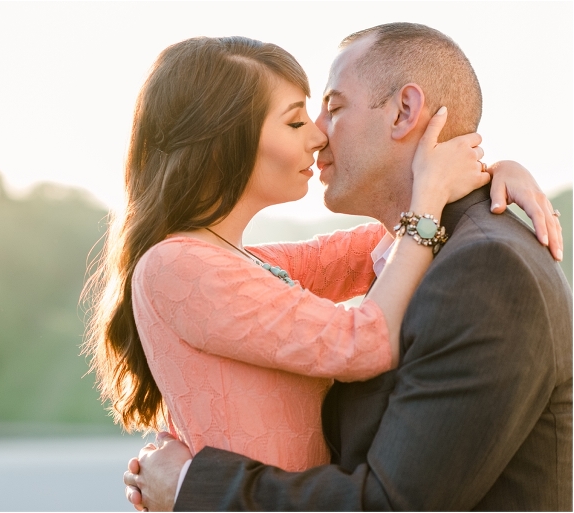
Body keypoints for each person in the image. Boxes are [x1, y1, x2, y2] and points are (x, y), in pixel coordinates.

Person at [123, 23, 572, 511]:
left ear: (405, 112)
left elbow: (371, 252)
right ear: (222, 139)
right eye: (297, 122)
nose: (318, 135)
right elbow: (374, 301)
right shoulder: (185, 264)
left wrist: (489, 171)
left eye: (333, 108)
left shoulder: (488, 266)